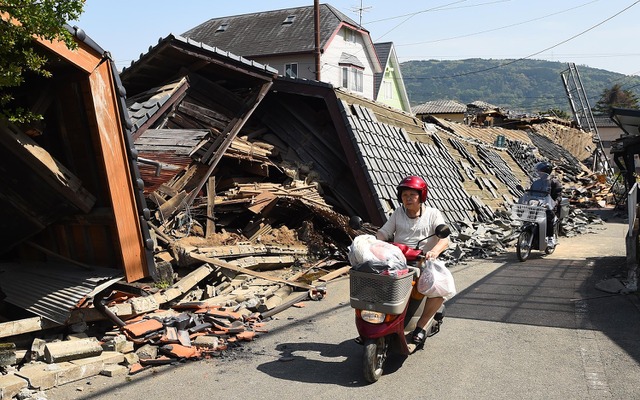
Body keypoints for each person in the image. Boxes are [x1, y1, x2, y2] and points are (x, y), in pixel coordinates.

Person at [375, 175, 451, 344]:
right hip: (398, 259)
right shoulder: (397, 213)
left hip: (424, 260)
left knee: (440, 287)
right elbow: (384, 232)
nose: (408, 199)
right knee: (374, 279)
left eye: (412, 195)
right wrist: (375, 242)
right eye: (404, 195)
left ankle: (421, 326)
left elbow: (444, 239)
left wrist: (434, 251)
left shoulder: (433, 214)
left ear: (421, 196)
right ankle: (374, 323)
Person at [529, 161, 563, 246]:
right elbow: (530, 193)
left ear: (545, 172)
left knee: (549, 217)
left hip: (549, 206)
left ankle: (550, 238)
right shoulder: (536, 182)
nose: (537, 173)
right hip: (536, 205)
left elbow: (558, 196)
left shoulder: (554, 183)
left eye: (539, 171)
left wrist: (554, 203)